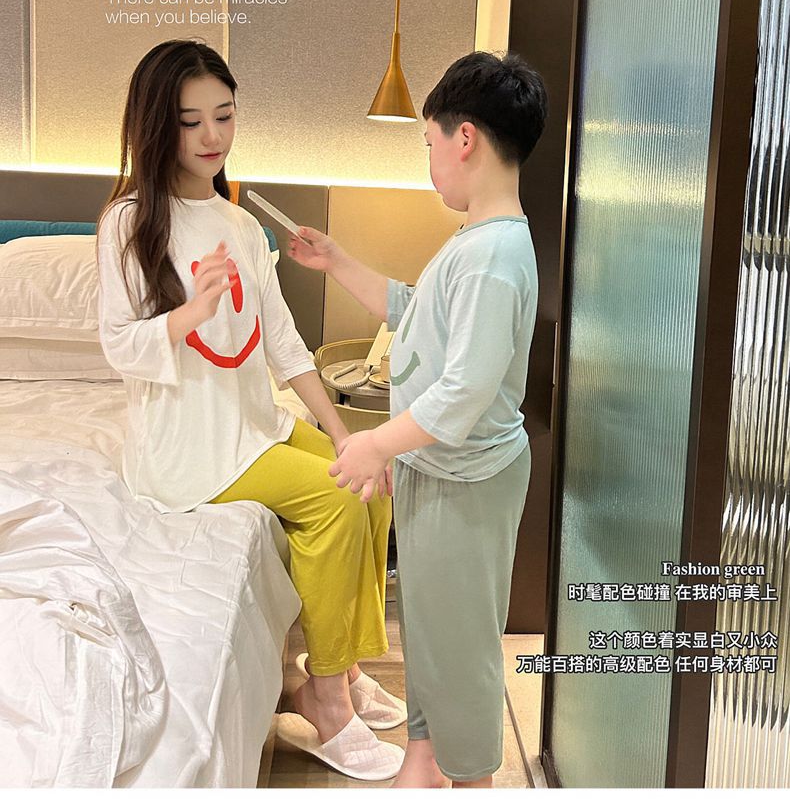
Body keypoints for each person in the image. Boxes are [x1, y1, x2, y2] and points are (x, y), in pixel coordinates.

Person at [95, 39, 405, 782]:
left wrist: (345, 433)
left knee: (368, 483)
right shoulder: (130, 221)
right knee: (334, 504)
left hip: (250, 425)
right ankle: (324, 698)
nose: (212, 136)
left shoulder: (241, 226)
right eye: (190, 121)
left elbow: (285, 345)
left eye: (224, 115)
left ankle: (343, 664)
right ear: (157, 125)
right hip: (188, 448)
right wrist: (189, 314)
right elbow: (119, 346)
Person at [288, 50, 548, 788]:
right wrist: (338, 262)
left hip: (466, 480)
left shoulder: (493, 256)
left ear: (464, 138)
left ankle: (471, 778)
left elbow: (463, 393)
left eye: (429, 143)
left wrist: (375, 443)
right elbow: (412, 311)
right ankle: (425, 761)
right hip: (442, 469)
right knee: (433, 631)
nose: (429, 163)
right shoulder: (477, 240)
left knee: (460, 646)